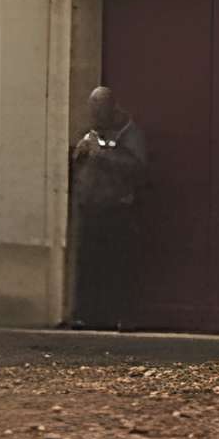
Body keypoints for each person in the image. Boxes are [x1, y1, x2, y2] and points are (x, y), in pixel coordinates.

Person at [67, 85, 148, 327]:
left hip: (116, 210)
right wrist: (78, 154)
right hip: (90, 209)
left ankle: (120, 316)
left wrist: (100, 154)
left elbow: (137, 168)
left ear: (112, 108)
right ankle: (86, 315)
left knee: (116, 266)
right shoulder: (91, 133)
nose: (96, 117)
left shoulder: (131, 134)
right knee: (89, 266)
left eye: (100, 111)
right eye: (93, 111)